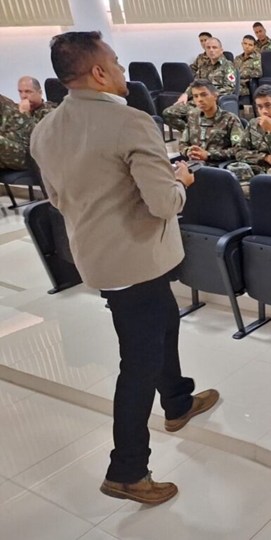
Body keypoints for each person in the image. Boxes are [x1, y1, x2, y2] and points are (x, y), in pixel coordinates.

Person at [31, 31, 218, 505]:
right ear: (97, 72)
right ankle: (127, 469)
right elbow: (161, 203)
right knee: (138, 361)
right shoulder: (132, 123)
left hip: (98, 256)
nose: (120, 69)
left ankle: (176, 400)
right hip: (137, 257)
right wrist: (182, 182)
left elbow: (57, 199)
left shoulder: (46, 128)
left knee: (164, 320)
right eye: (114, 61)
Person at [162, 37, 236, 131]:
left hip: (213, 101)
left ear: (221, 50)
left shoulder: (228, 66)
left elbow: (229, 88)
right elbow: (194, 84)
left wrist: (210, 95)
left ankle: (197, 134)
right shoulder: (204, 66)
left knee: (192, 114)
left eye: (214, 47)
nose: (211, 50)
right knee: (168, 113)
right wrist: (185, 94)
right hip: (196, 100)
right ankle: (192, 134)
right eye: (208, 48)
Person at [178, 80, 243, 165]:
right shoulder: (192, 116)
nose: (199, 100)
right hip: (194, 165)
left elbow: (239, 150)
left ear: (215, 96)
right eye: (195, 96)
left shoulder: (230, 119)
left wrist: (209, 155)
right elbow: (183, 143)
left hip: (217, 167)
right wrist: (188, 151)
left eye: (204, 95)